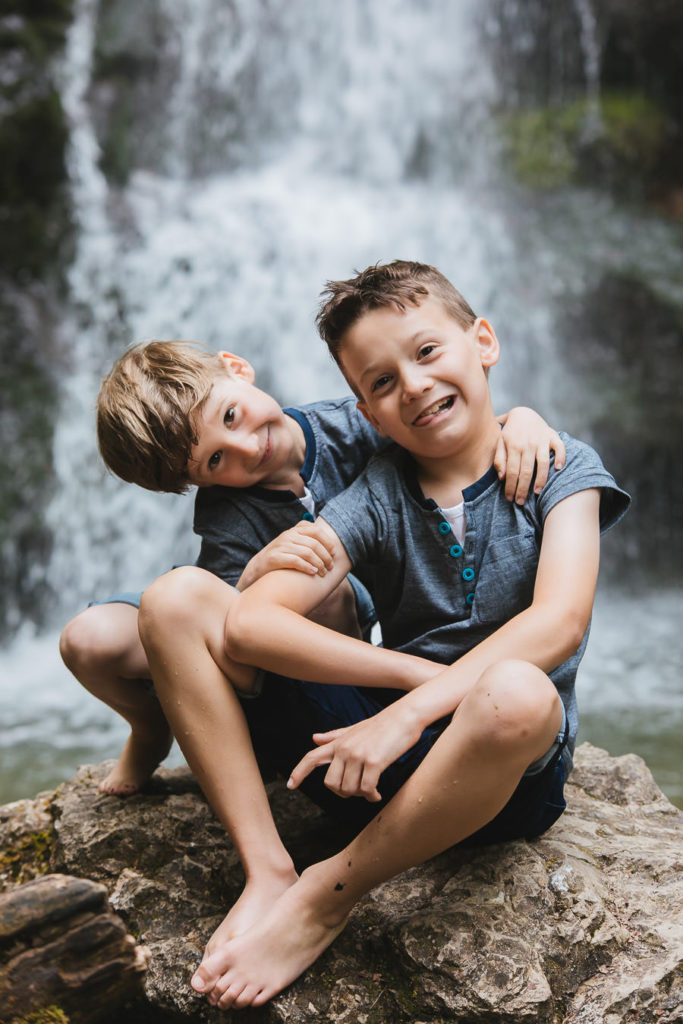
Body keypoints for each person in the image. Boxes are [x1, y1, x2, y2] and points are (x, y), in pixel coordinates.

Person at [187, 260, 630, 1010]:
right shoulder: (377, 495)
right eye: (382, 382)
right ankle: (271, 866)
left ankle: (327, 894)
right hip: (375, 767)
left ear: (482, 341)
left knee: (516, 692)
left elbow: (558, 622)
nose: (414, 386)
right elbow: (251, 621)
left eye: (426, 353)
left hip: (505, 781)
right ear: (365, 413)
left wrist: (406, 714)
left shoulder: (561, 468)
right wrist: (390, 686)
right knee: (181, 601)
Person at [60, 339, 563, 795]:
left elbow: (450, 435)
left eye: (231, 416)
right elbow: (224, 623)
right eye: (215, 461)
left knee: (322, 587)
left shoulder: (359, 425)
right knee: (88, 639)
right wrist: (254, 574)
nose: (247, 448)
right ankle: (151, 728)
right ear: (197, 481)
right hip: (235, 640)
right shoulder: (224, 513)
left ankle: (318, 724)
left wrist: (521, 418)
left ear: (237, 368)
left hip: (346, 642)